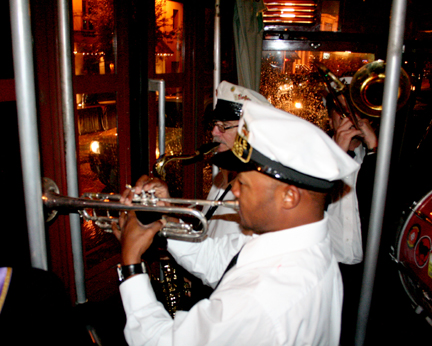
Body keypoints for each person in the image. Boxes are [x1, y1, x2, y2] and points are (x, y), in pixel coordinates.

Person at [113, 101, 359, 346]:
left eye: (244, 183)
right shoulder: (298, 242)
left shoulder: (259, 299)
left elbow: (160, 342)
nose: (236, 191)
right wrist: (162, 217)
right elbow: (217, 260)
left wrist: (131, 262)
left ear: (289, 196)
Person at [325, 85, 378, 345]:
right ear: (330, 118)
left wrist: (376, 149)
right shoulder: (317, 156)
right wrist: (336, 153)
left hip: (367, 272)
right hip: (327, 268)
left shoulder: (377, 157)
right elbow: (314, 201)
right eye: (340, 111)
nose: (348, 117)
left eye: (353, 110)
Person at [202, 80, 272, 238]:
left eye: (224, 126)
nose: (214, 132)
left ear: (247, 132)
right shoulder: (222, 178)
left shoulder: (258, 190)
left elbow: (224, 257)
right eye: (215, 124)